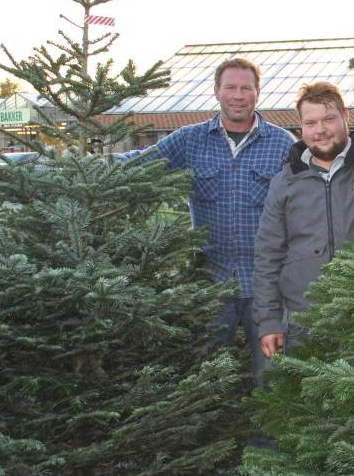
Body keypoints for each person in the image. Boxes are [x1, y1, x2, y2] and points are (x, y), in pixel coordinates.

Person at [126, 57, 295, 385]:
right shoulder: (190, 140)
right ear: (216, 91)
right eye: (230, 87)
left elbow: (308, 201)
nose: (238, 95)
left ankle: (266, 439)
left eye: (246, 88)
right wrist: (79, 170)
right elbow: (138, 163)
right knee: (203, 376)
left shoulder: (282, 143)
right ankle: (213, 435)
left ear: (258, 93)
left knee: (272, 377)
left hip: (267, 286)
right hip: (209, 283)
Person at [252, 81, 354, 370]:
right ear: (301, 128)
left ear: (346, 116)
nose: (321, 130)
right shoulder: (285, 181)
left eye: (329, 119)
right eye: (311, 122)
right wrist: (269, 321)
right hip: (303, 321)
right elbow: (268, 254)